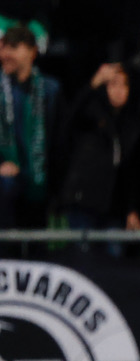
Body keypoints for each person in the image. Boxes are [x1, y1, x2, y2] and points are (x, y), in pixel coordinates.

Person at [60, 63, 140, 241]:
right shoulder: (89, 117)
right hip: (83, 202)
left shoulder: (132, 125)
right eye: (113, 84)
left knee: (112, 263)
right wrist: (94, 83)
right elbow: (68, 119)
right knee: (81, 260)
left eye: (124, 85)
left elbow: (131, 172)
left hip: (115, 209)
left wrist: (131, 209)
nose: (119, 90)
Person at [0, 24, 61, 229]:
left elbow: (59, 138)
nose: (5, 54)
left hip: (39, 184)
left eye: (13, 47)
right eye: (4, 47)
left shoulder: (50, 90)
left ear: (32, 52)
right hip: (5, 185)